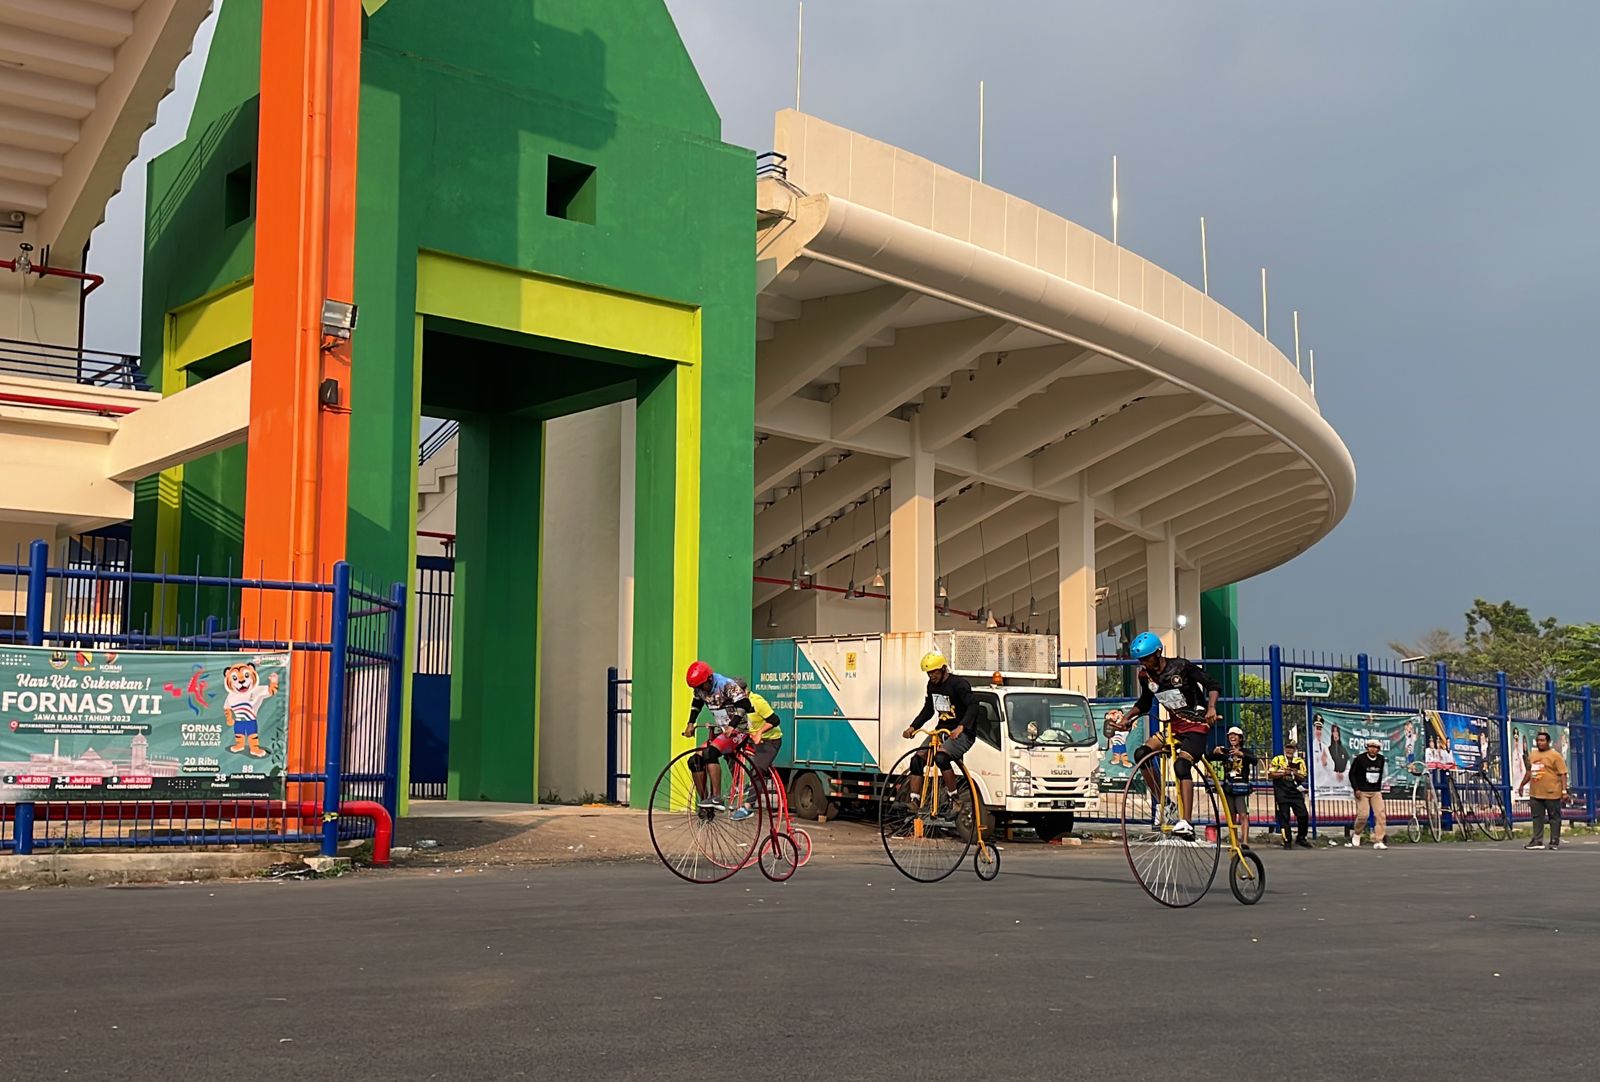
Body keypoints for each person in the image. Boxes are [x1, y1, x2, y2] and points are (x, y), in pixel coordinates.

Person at [1112, 631, 1220, 840]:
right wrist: (1128, 718)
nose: (1144, 663)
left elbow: (1212, 685)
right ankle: (1165, 803)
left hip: (1196, 725)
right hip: (1174, 728)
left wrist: (1211, 708)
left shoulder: (1181, 666)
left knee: (1181, 766)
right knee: (1141, 753)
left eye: (1147, 658)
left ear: (1158, 652)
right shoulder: (1145, 676)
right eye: (1140, 660)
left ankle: (1186, 822)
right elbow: (1145, 702)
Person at [681, 661, 783, 820]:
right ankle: (705, 803)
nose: (700, 690)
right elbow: (697, 703)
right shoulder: (700, 689)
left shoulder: (727, 685)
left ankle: (718, 797)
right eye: (697, 688)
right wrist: (690, 723)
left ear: (709, 679)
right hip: (725, 732)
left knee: (713, 754)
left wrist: (733, 726)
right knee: (694, 760)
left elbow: (746, 704)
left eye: (702, 686)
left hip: (740, 732)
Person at [901, 651, 979, 811]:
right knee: (916, 760)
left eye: (934, 672)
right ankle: (915, 800)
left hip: (963, 733)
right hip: (942, 731)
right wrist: (913, 727)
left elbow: (973, 706)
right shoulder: (931, 686)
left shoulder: (959, 684)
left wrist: (961, 727)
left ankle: (954, 799)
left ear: (943, 669)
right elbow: (928, 710)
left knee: (941, 758)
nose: (931, 676)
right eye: (928, 673)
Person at [1518, 730, 1569, 850]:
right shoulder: (1533, 754)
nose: (1540, 742)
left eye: (1542, 740)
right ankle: (1537, 840)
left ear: (1548, 742)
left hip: (1552, 793)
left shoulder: (1555, 755)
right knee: (1537, 817)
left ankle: (1554, 841)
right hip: (1535, 793)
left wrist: (1564, 791)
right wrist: (1522, 785)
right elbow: (1529, 772)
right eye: (1538, 740)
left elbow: (1563, 774)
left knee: (1554, 817)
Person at [1209, 726, 1257, 846]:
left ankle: (1245, 841)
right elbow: (1208, 757)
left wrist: (1240, 754)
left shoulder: (1246, 752)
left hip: (1241, 788)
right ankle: (1234, 841)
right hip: (1228, 787)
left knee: (1243, 814)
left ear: (1240, 738)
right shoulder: (1226, 753)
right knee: (1231, 816)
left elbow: (1254, 760)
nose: (1232, 737)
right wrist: (1214, 752)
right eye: (1230, 735)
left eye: (1235, 735)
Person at [1268, 738, 1313, 849]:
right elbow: (1270, 774)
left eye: (1291, 748)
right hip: (1282, 792)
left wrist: (1295, 772)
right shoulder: (1278, 760)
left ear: (1295, 750)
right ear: (1284, 748)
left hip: (1295, 792)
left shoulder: (1299, 761)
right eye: (1287, 748)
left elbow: (1303, 777)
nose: (1289, 750)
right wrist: (1283, 772)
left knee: (1303, 815)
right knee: (1284, 817)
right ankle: (1287, 840)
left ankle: (1301, 838)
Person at [1347, 738, 1388, 849]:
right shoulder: (1360, 759)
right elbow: (1352, 774)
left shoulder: (1381, 759)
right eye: (1371, 747)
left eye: (1375, 748)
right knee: (1363, 815)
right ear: (1367, 748)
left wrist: (1379, 788)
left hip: (1375, 791)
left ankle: (1379, 839)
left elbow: (1380, 774)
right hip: (1362, 790)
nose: (1373, 749)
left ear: (1378, 749)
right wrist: (1356, 789)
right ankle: (1357, 833)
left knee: (1380, 814)